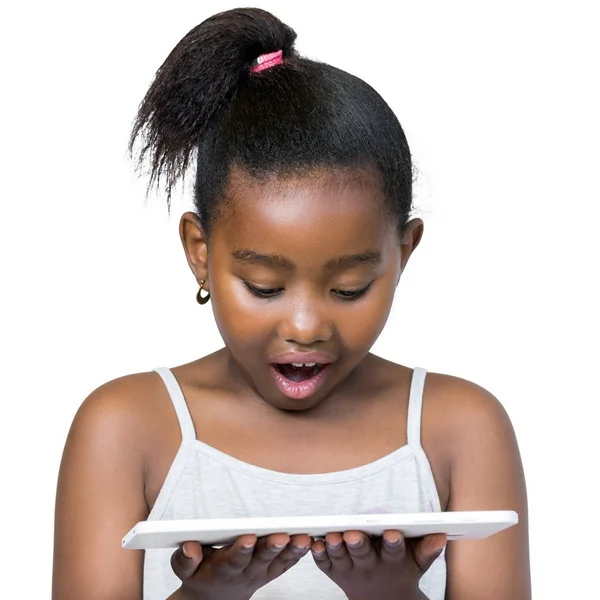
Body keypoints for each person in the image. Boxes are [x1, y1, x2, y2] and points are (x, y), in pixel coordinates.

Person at [52, 7, 530, 600]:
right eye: (264, 287)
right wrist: (203, 595)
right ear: (200, 251)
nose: (305, 327)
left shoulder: (460, 430)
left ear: (404, 253)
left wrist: (392, 595)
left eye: (349, 288)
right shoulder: (126, 428)